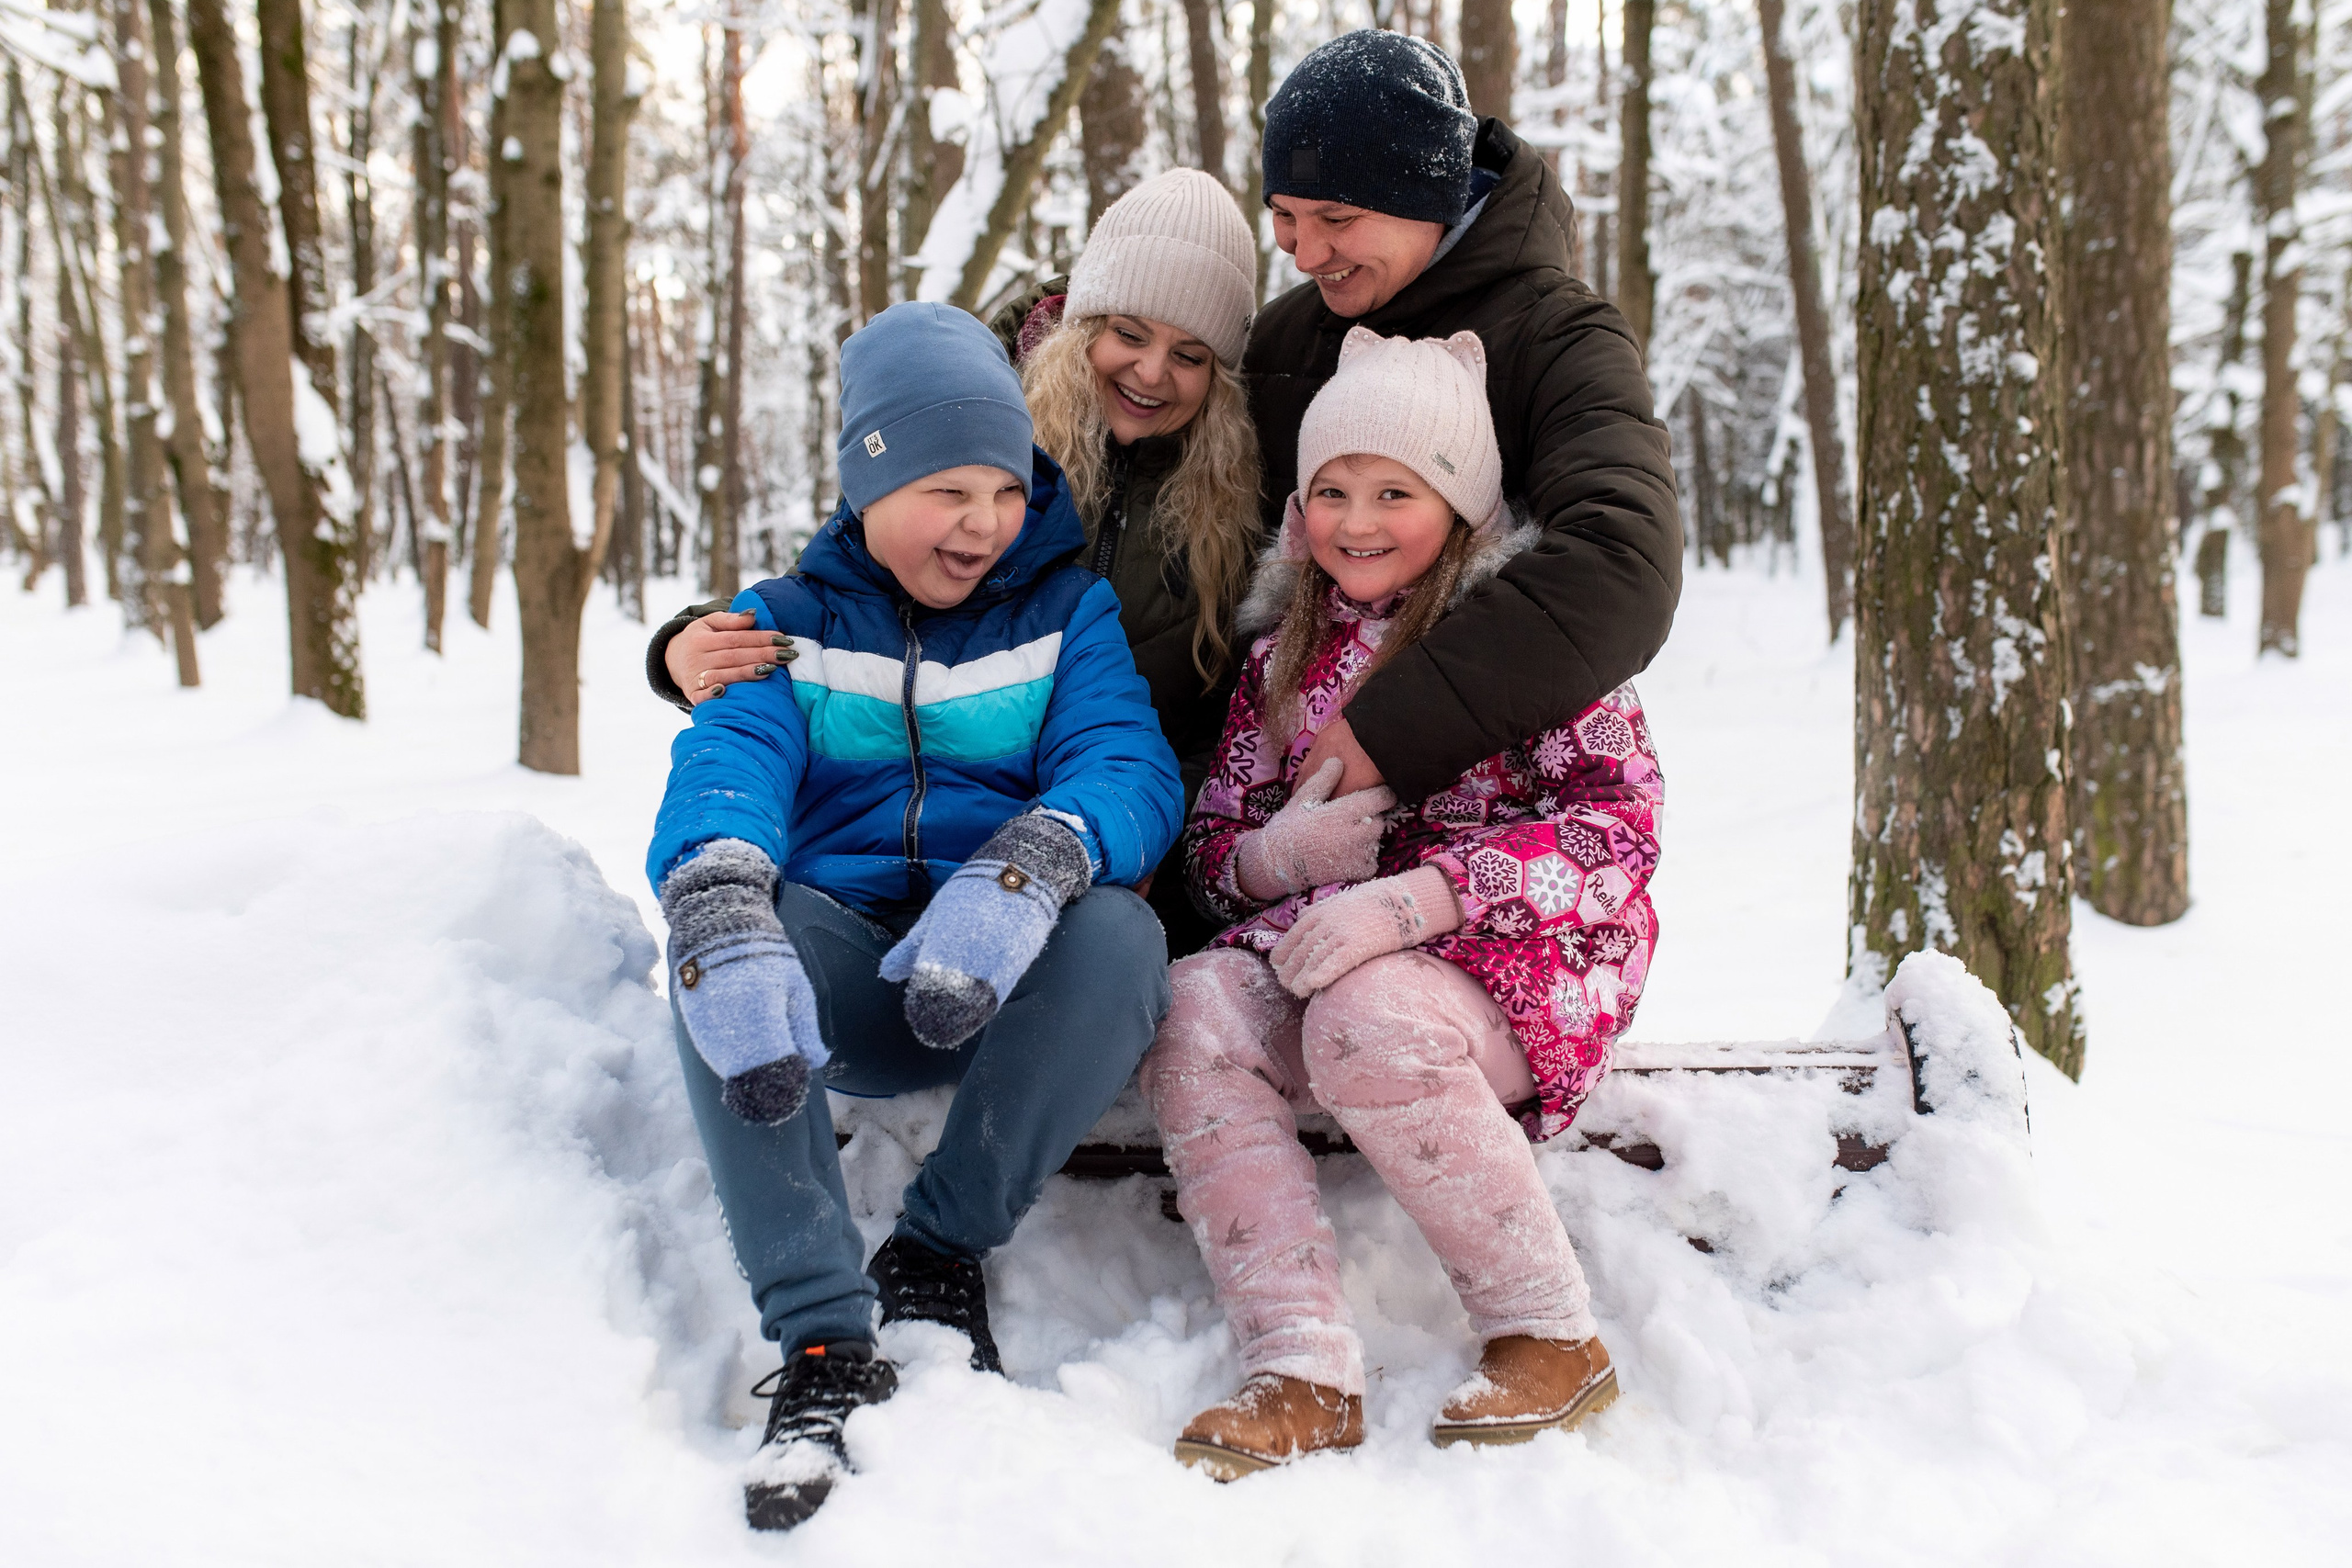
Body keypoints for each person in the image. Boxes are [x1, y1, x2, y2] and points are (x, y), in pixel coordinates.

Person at [646, 301, 1181, 1529]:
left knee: (1122, 934)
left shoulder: (1069, 614)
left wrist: (1034, 860)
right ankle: (821, 1332)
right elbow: (728, 762)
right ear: (867, 484)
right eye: (947, 490)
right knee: (726, 942)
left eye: (1002, 489)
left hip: (1005, 983)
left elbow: (1128, 765)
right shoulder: (780, 623)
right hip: (841, 970)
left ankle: (940, 1246)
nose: (983, 521)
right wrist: (719, 888)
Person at [1139, 328, 1664, 1478]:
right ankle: (1298, 1361)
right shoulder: (1282, 656)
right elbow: (1213, 846)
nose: (1357, 521)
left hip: (1527, 951)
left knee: (1366, 1018)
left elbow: (1616, 833)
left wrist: (1418, 902)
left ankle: (1546, 1331)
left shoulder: (1526, 638)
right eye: (1332, 490)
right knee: (1193, 1010)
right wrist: (1272, 860)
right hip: (1325, 939)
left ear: (1462, 506)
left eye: (1395, 492)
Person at [656, 169, 1264, 956]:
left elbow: (1227, 718)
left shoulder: (1237, 497)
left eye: (1189, 354)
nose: (1152, 371)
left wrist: (1128, 832)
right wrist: (688, 640)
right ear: (1083, 323)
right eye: (1129, 333)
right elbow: (853, 577)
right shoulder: (984, 415)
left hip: (1119, 849)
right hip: (933, 835)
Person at [1241, 29, 1681, 816]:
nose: (1305, 253)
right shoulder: (1283, 341)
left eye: (1336, 216)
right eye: (1284, 216)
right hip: (1274, 818)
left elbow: (1623, 561)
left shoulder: (1558, 337)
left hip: (1494, 819)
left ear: (1430, 199)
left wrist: (1393, 726)